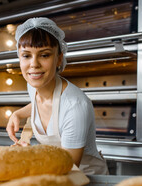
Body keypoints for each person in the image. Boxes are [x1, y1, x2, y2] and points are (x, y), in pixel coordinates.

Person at [6, 17, 108, 175]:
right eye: (26, 55)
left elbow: (68, 169)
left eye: (44, 55)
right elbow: (43, 103)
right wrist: (18, 114)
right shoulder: (33, 85)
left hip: (87, 182)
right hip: (51, 177)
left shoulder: (75, 106)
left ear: (59, 58)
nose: (34, 64)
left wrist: (31, 156)